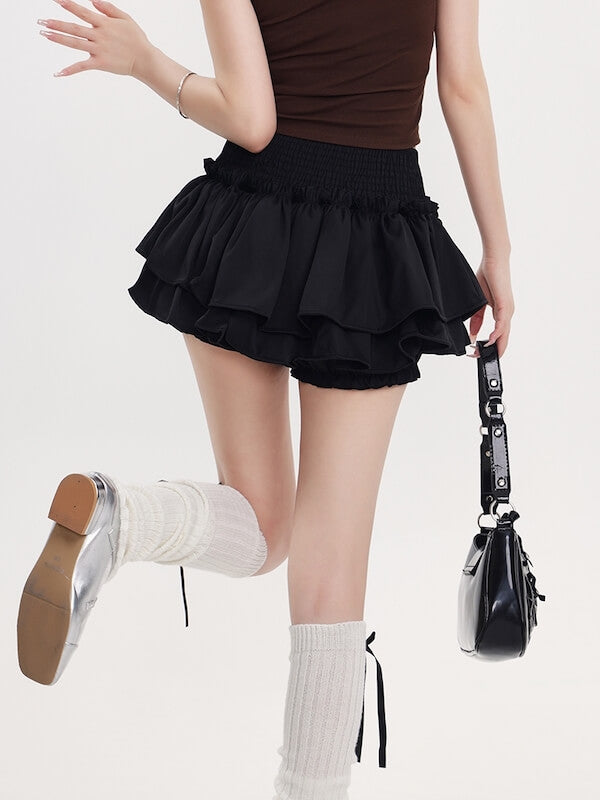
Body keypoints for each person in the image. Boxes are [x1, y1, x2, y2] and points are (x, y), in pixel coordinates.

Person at [19, 1, 514, 798]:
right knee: (329, 573)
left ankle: (122, 516)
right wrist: (497, 252)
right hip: (373, 242)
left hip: (246, 231)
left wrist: (146, 61)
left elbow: (251, 123)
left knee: (261, 523)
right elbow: (462, 85)